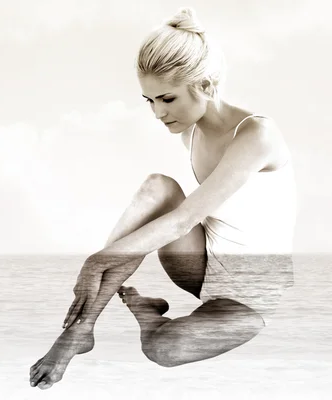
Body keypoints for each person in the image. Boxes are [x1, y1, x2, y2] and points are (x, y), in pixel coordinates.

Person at [29, 7, 296, 390]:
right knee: (158, 185)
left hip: (252, 299)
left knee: (162, 350)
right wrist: (101, 262)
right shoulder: (191, 132)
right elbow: (178, 217)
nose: (157, 113)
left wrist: (95, 262)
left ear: (204, 85)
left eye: (167, 99)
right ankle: (82, 329)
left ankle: (148, 316)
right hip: (201, 269)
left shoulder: (256, 134)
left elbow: (183, 220)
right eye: (149, 100)